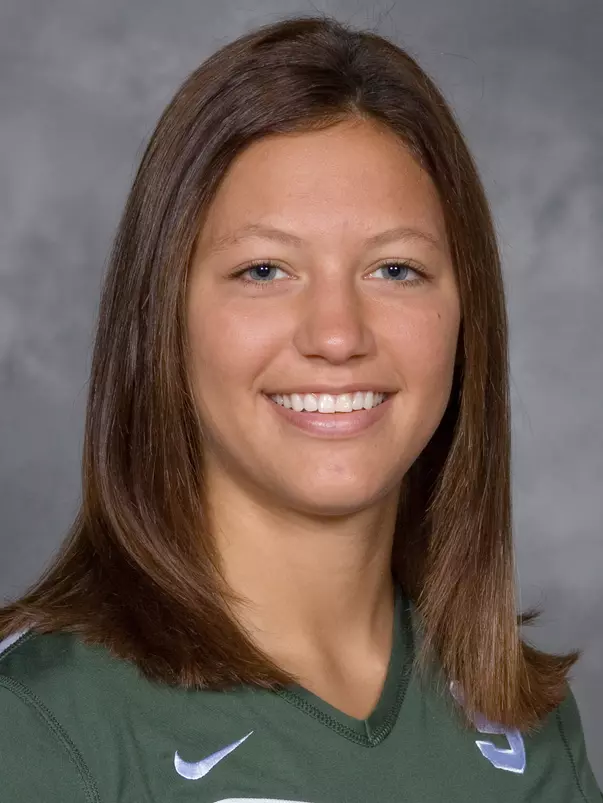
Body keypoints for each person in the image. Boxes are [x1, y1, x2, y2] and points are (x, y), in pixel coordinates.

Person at [0, 13, 600, 803]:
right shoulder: (38, 724)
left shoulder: (526, 725)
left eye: (394, 269)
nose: (337, 335)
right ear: (162, 316)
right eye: (264, 270)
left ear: (467, 317)